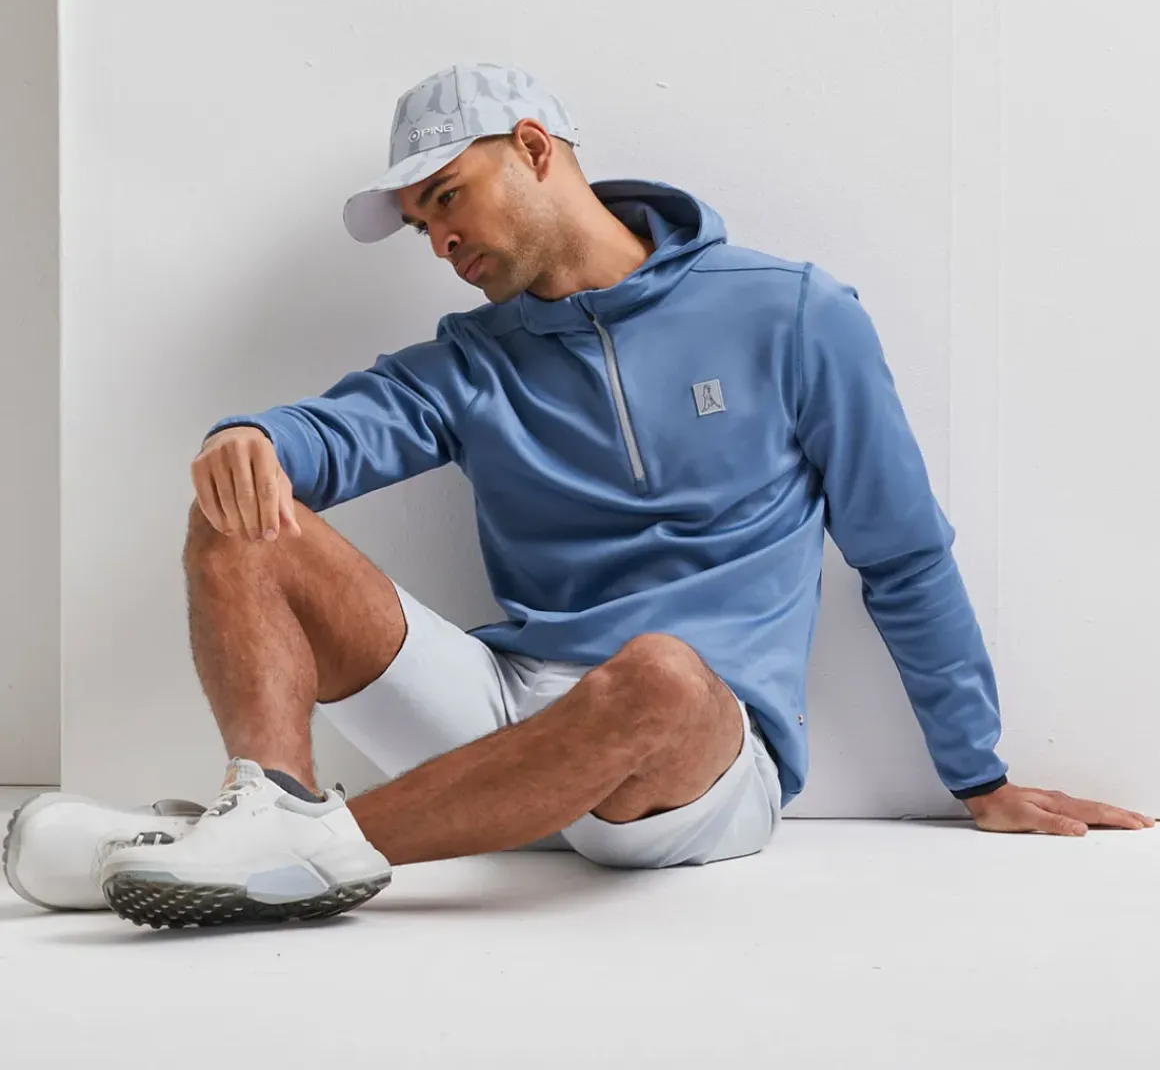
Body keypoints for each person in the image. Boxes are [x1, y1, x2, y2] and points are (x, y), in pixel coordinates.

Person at [5, 62, 1152, 930]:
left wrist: (977, 773)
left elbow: (900, 551)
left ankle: (294, 850)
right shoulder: (471, 359)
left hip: (689, 758)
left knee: (658, 670)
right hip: (502, 716)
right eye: (420, 226)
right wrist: (252, 437)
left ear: (534, 148)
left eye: (447, 196)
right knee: (241, 508)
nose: (440, 240)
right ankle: (267, 811)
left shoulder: (792, 312)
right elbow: (334, 431)